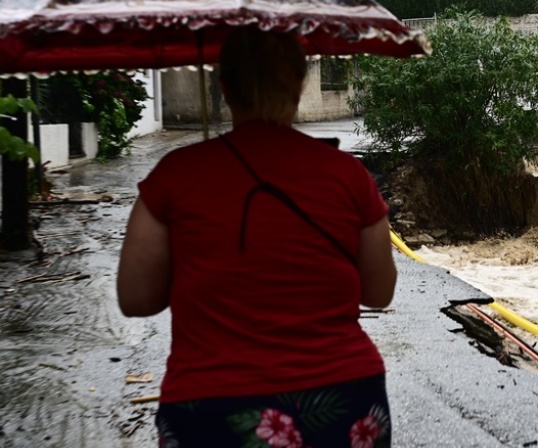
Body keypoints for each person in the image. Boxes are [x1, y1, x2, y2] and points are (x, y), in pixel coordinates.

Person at [117, 28, 397, 447]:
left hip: (210, 407)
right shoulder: (347, 175)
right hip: (344, 400)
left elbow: (137, 298)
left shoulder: (174, 176)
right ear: (300, 84)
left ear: (224, 88)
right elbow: (379, 291)